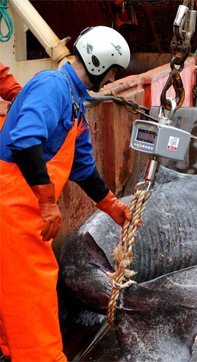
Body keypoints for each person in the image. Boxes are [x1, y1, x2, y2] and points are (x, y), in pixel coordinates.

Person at [0, 26, 134, 362]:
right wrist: (47, 203)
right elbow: (25, 140)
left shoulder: (76, 103)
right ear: (102, 65)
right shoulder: (53, 87)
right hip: (13, 205)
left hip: (24, 206)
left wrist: (113, 206)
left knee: (13, 290)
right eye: (114, 71)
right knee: (33, 290)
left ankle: (12, 351)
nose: (112, 77)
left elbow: (84, 168)